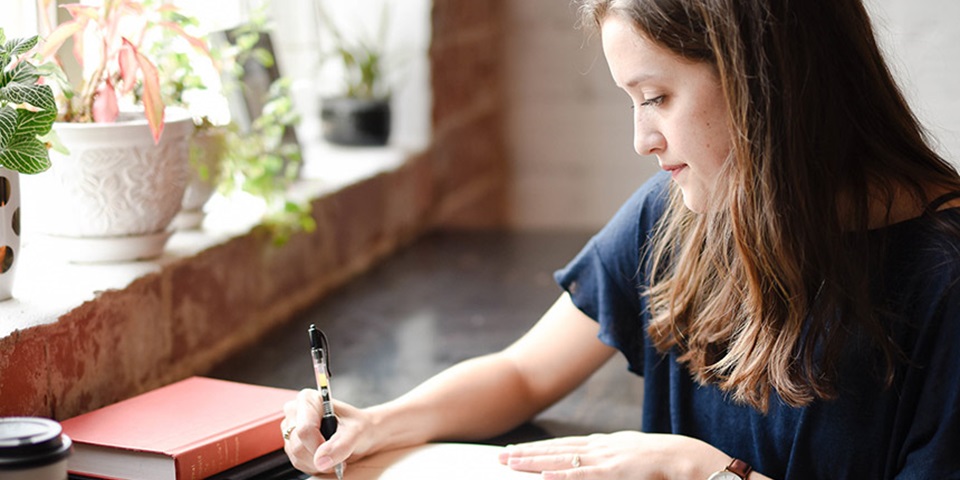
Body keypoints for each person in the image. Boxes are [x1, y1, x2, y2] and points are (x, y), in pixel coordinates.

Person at [283, 0, 960, 478]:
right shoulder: (678, 214)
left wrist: (709, 475)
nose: (642, 140)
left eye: (657, 96)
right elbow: (522, 373)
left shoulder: (945, 281)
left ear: (767, 81)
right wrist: (379, 423)